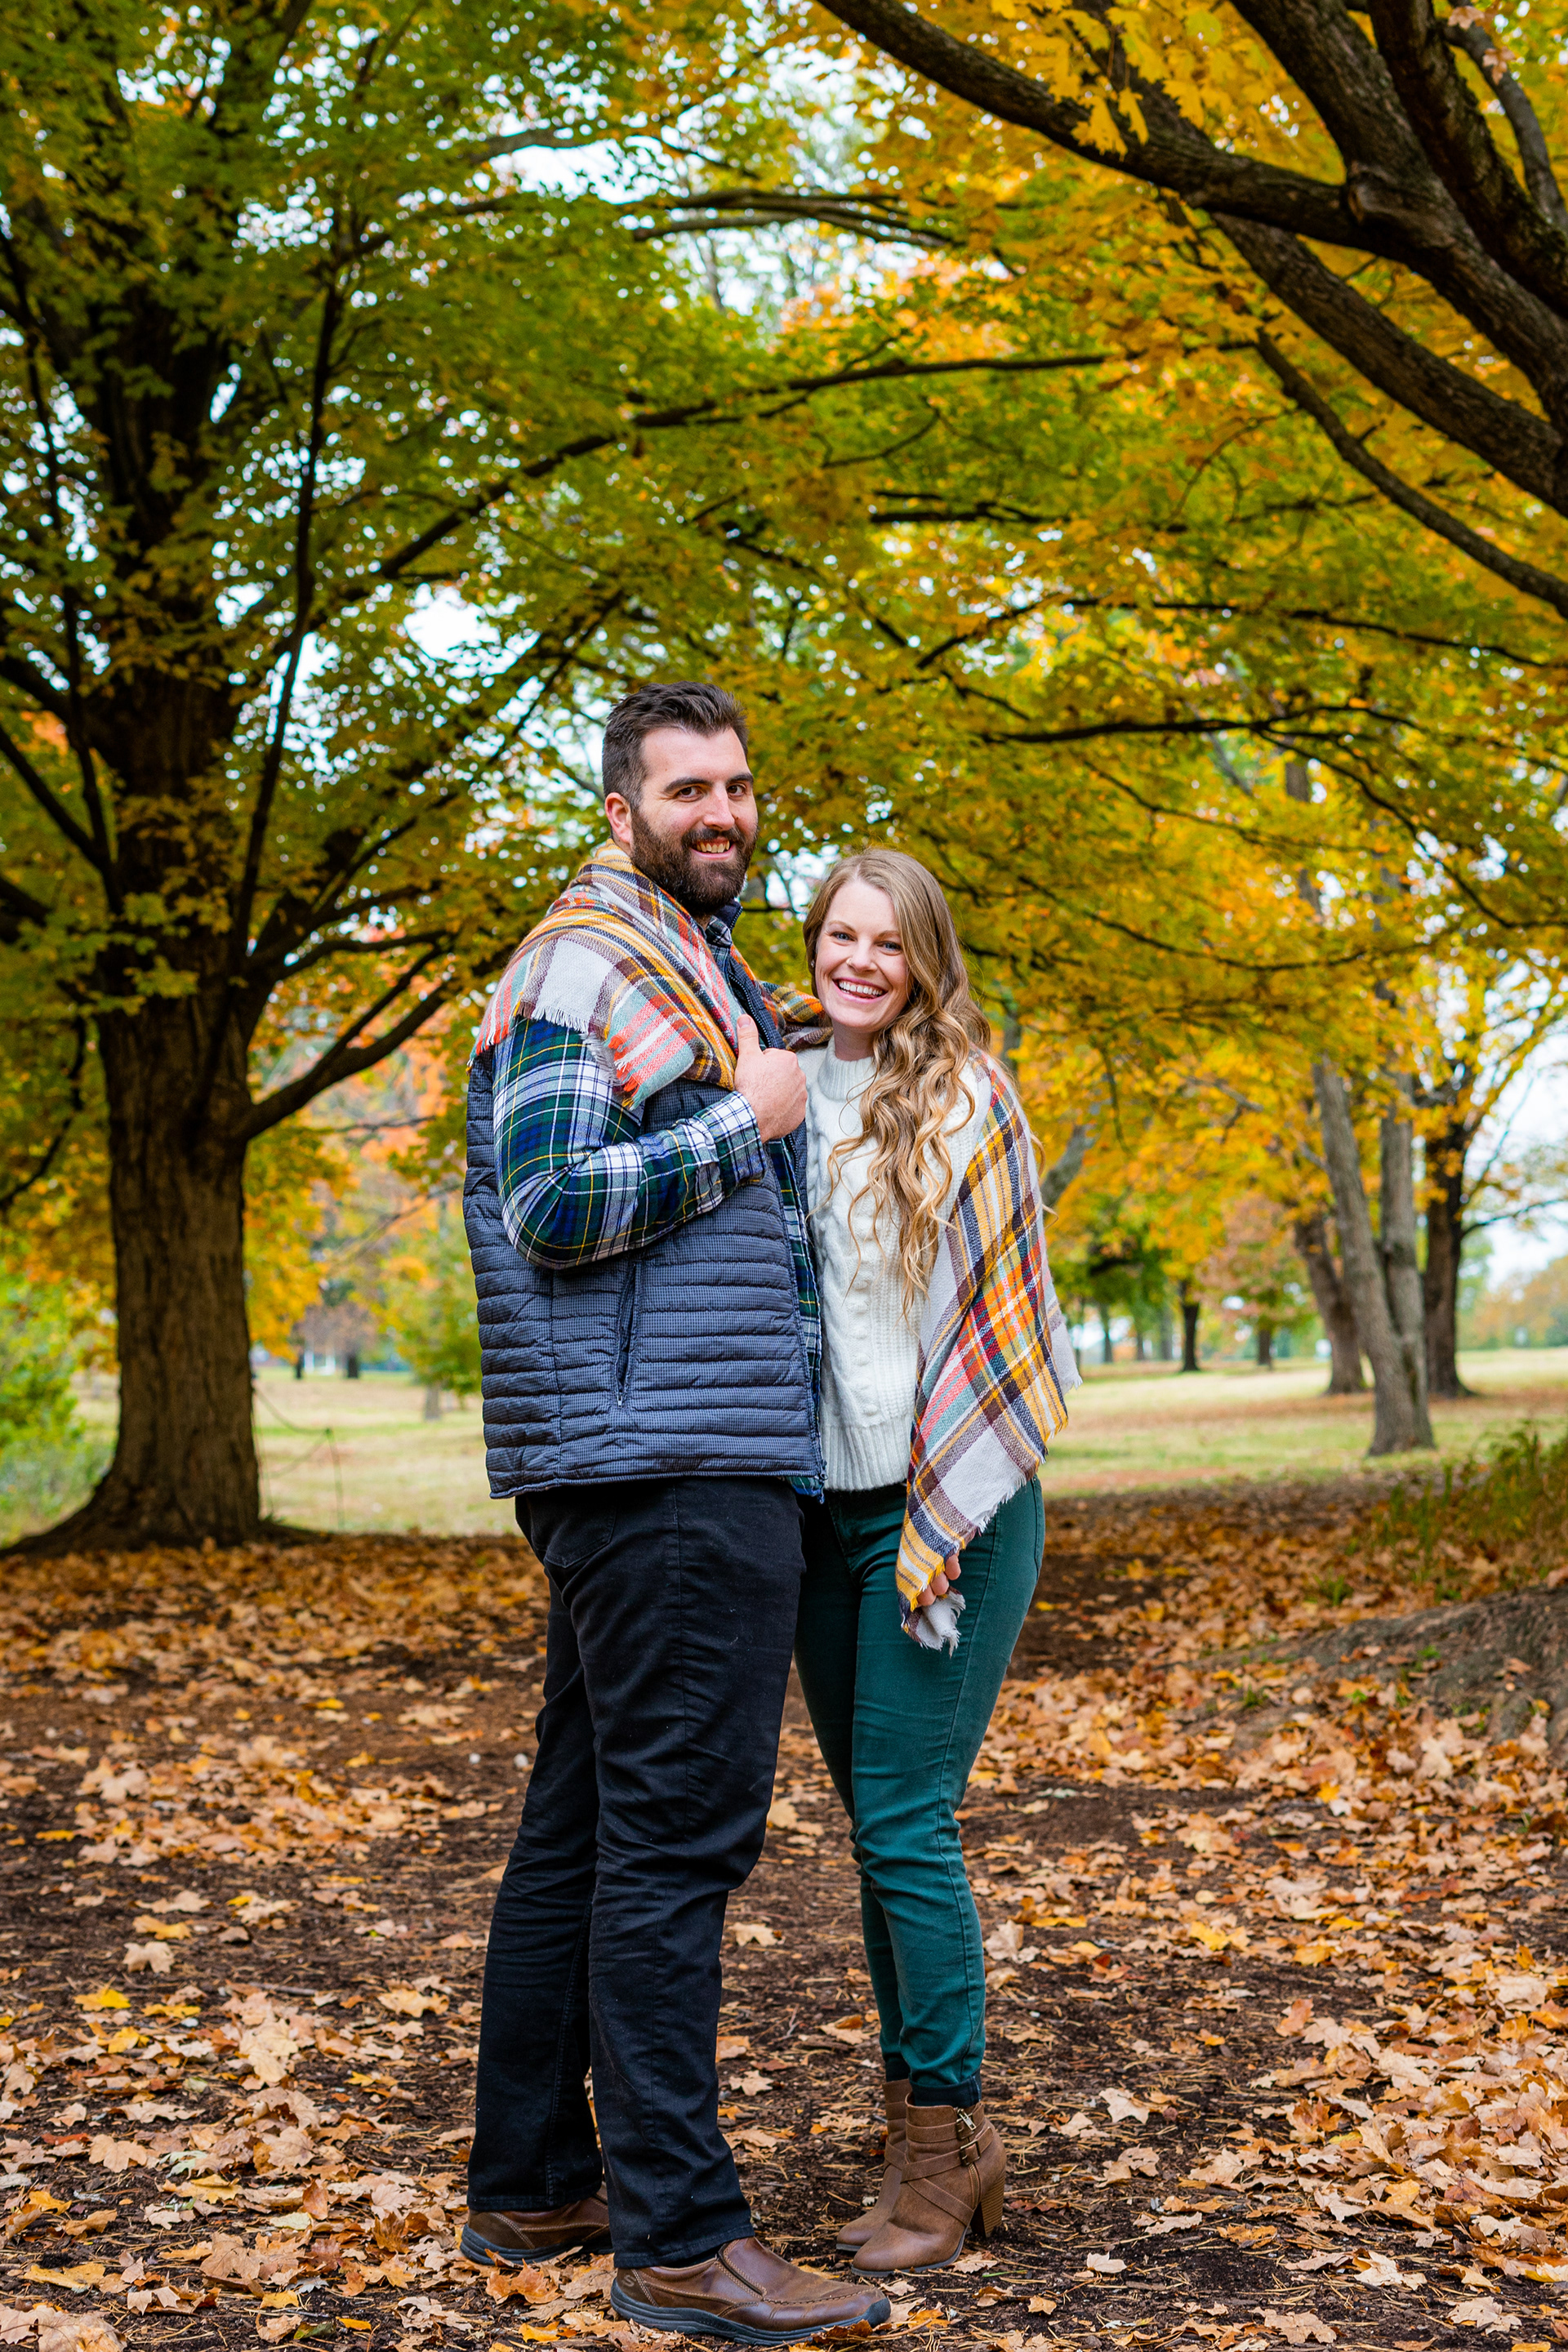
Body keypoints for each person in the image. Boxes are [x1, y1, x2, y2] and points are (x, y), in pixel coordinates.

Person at [461, 682, 889, 2344]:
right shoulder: (587, 962)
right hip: (670, 1467)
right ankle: (684, 2240)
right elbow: (551, 1198)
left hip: (654, 1455)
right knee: (673, 1846)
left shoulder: (683, 960)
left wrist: (773, 1064)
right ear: (622, 807)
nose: (722, 812)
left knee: (583, 1829)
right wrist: (742, 1121)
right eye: (686, 788)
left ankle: (534, 2180)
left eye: (738, 785)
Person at [791, 849, 1080, 2274]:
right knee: (875, 1825)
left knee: (907, 1819)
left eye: (887, 942)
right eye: (839, 936)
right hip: (821, 1512)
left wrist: (940, 1507)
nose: (860, 962)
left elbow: (1001, 1319)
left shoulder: (969, 1095)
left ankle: (946, 2146)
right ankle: (918, 2126)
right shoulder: (779, 1088)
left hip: (950, 1504)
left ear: (924, 960)